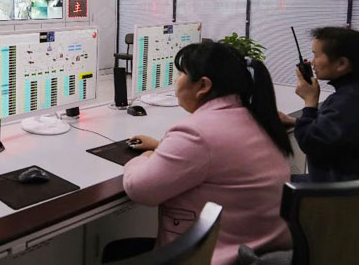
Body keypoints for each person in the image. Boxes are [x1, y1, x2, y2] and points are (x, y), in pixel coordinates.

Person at [122, 43, 292, 265]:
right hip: (258, 250)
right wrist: (162, 146)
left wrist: (143, 158)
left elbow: (140, 189)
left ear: (203, 85)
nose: (176, 81)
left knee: (117, 251)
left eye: (181, 74)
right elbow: (216, 154)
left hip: (217, 256)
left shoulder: (196, 132)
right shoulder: (254, 116)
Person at [279, 26, 359, 182]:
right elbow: (341, 128)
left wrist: (310, 101)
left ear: (342, 63)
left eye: (316, 55)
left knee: (272, 184)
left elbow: (311, 143)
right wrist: (296, 121)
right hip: (346, 182)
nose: (312, 62)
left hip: (335, 189)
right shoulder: (350, 95)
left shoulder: (346, 100)